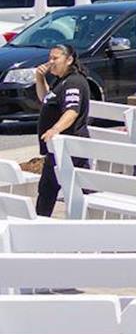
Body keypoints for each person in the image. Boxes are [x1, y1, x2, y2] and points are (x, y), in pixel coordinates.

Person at [32, 42, 91, 216]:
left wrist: (54, 130)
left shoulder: (74, 82)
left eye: (55, 58)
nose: (50, 61)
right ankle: (39, 229)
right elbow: (46, 99)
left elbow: (72, 111)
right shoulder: (61, 81)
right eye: (49, 58)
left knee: (78, 192)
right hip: (55, 150)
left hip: (69, 148)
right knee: (46, 190)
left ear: (69, 59)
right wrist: (40, 79)